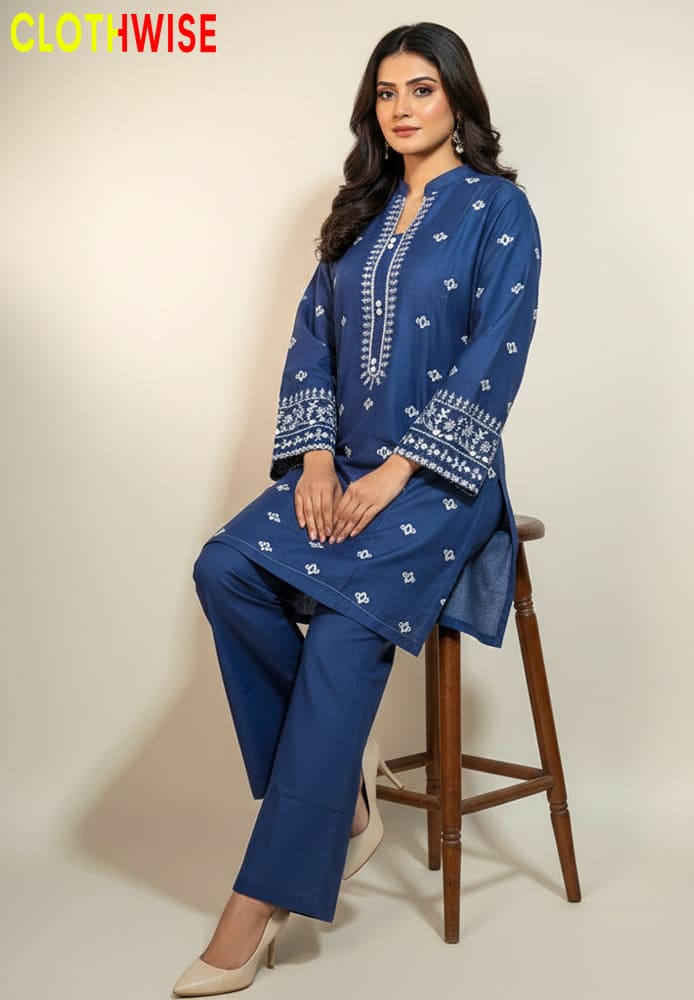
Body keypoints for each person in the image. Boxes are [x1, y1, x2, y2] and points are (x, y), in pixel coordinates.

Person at [172, 21, 542, 996]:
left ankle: (253, 908)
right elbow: (312, 340)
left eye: (422, 87)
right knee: (225, 566)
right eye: (387, 92)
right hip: (344, 470)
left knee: (344, 633)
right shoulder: (362, 210)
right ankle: (337, 807)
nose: (403, 106)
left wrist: (398, 472)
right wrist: (321, 460)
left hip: (441, 484)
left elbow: (494, 360)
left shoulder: (500, 212)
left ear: (458, 97)